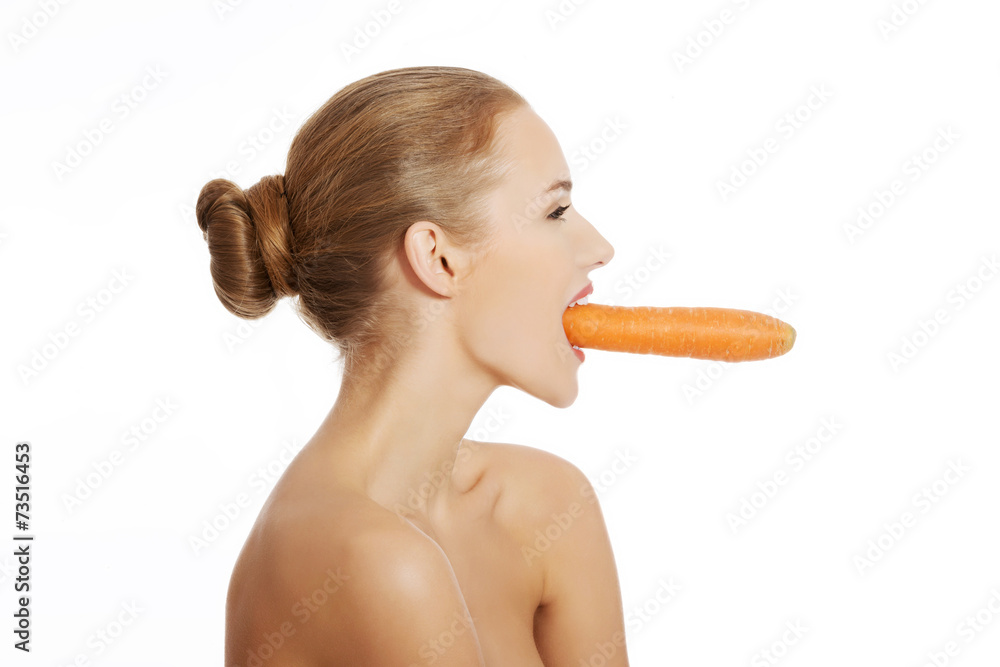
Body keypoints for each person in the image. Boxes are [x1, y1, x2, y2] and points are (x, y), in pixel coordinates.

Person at [196, 65, 628, 666]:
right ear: (438, 258)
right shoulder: (368, 558)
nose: (601, 249)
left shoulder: (549, 504)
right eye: (555, 212)